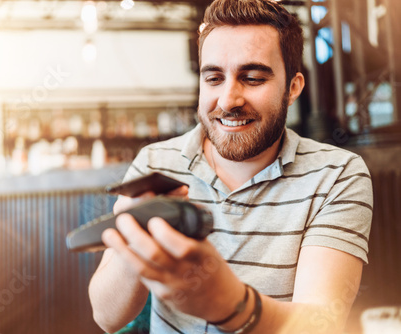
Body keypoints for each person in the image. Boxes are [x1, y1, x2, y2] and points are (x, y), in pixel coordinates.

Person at [89, 0, 373, 333]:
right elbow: (107, 318)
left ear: (293, 87)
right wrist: (134, 236)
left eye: (252, 78)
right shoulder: (155, 162)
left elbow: (322, 325)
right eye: (213, 78)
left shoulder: (337, 175)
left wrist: (228, 304)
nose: (227, 101)